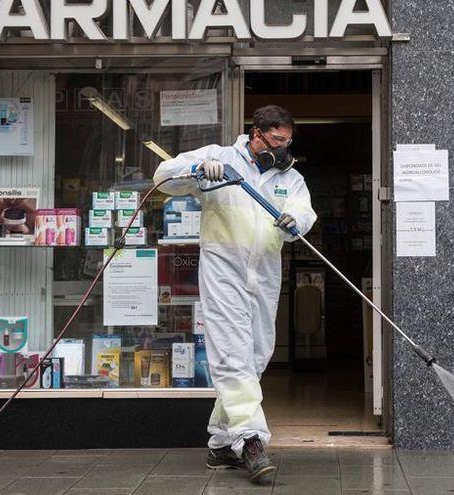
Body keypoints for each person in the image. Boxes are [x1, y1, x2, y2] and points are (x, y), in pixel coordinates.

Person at [153, 105, 316, 483]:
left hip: (265, 272)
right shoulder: (218, 159)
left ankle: (221, 445)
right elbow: (162, 179)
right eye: (277, 140)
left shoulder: (288, 176)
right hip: (224, 269)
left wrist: (297, 221)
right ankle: (251, 440)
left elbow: (303, 210)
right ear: (256, 134)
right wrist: (195, 171)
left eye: (288, 141)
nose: (282, 148)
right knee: (231, 355)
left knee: (257, 354)